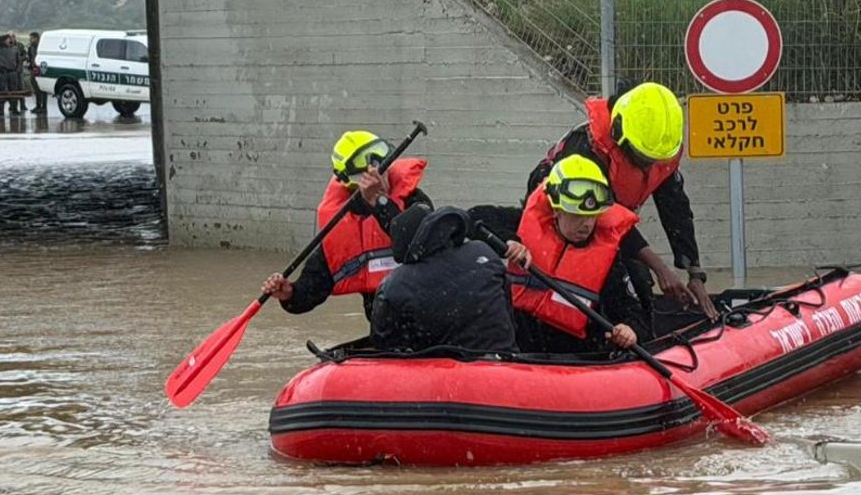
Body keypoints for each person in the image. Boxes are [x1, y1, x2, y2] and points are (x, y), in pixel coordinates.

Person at [526, 79, 716, 319]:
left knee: (637, 280)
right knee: (628, 280)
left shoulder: (656, 148)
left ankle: (636, 332)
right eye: (642, 157)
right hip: (568, 222)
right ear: (618, 131)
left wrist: (694, 272)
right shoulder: (587, 151)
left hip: (605, 224)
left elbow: (675, 209)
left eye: (654, 159)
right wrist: (660, 268)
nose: (648, 165)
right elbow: (607, 216)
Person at [489, 154, 651, 356]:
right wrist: (510, 240)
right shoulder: (522, 226)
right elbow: (476, 218)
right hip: (518, 345)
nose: (586, 224)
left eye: (592, 216)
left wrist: (630, 329)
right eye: (577, 215)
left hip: (573, 357)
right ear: (556, 210)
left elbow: (633, 312)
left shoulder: (608, 262)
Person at [261, 130, 431, 321]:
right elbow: (312, 288)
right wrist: (289, 293)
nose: (382, 178)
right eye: (371, 175)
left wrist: (380, 203)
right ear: (356, 182)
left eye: (384, 168)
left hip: (430, 315)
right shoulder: (342, 225)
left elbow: (421, 244)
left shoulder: (415, 202)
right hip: (388, 330)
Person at [369, 204, 519, 355]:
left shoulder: (395, 284)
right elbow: (509, 314)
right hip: (505, 362)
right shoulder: (483, 251)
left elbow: (384, 349)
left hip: (447, 372)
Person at [27, 30, 46, 114]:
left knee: (42, 88)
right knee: (36, 88)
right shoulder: (31, 47)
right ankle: (38, 106)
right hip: (33, 69)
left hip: (40, 69)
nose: (30, 40)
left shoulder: (41, 47)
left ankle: (44, 107)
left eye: (31, 38)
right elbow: (31, 57)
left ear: (36, 38)